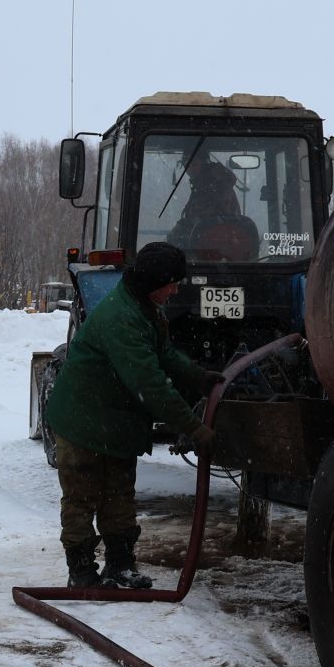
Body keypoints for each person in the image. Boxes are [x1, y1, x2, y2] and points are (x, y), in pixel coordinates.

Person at [43, 241, 217, 588]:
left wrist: (198, 377)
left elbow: (163, 354)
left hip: (114, 422)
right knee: (82, 498)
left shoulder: (144, 307)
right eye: (172, 283)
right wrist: (194, 429)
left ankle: (120, 566)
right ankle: (81, 572)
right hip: (82, 421)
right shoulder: (121, 318)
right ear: (155, 282)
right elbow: (149, 384)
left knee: (119, 495)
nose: (176, 289)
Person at [170, 160, 259, 261]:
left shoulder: (205, 193)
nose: (188, 168)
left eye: (192, 162)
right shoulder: (243, 229)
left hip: (199, 266)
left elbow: (193, 224)